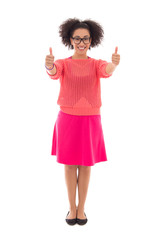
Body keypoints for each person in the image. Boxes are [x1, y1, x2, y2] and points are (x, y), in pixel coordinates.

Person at [45, 18, 120, 226]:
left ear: (91, 40)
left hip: (90, 119)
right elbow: (54, 72)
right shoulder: (63, 63)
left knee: (86, 165)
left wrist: (113, 65)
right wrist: (49, 66)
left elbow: (106, 71)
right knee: (70, 164)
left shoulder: (96, 64)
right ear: (70, 39)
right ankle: (71, 208)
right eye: (77, 38)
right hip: (67, 119)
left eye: (85, 38)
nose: (81, 42)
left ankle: (82, 208)